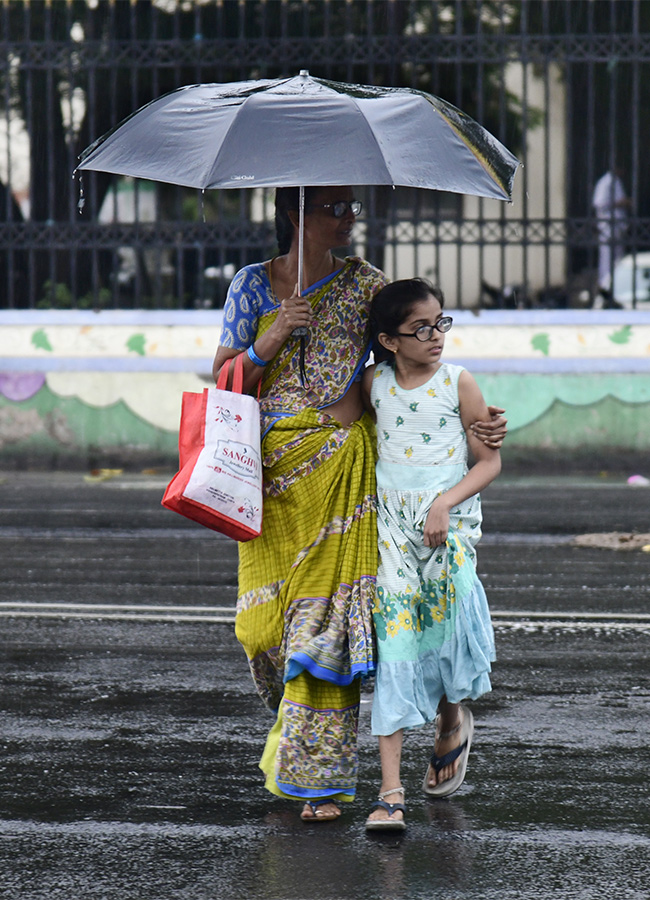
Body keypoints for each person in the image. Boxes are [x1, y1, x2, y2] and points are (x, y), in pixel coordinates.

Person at [212, 187, 507, 823]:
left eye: (353, 207)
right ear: (295, 214)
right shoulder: (253, 287)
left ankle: (319, 783)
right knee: (262, 632)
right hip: (272, 481)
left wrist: (472, 426)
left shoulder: (367, 285)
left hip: (347, 476)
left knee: (328, 634)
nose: (349, 219)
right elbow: (224, 380)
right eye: (333, 209)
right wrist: (271, 337)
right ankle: (301, 737)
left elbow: (407, 379)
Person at [360, 278, 501, 831]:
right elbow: (349, 431)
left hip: (451, 528)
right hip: (392, 530)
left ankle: (450, 717)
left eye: (441, 322)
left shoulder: (457, 382)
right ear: (390, 341)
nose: (435, 335)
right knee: (396, 642)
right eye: (421, 328)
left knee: (443, 637)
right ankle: (390, 793)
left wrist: (443, 502)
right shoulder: (374, 384)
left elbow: (488, 463)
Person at [592, 166, 631, 307]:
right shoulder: (607, 182)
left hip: (616, 228)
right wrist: (621, 203)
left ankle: (612, 289)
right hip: (608, 228)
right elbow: (599, 203)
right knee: (608, 262)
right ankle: (605, 290)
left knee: (617, 261)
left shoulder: (615, 181)